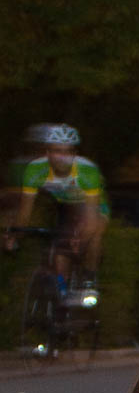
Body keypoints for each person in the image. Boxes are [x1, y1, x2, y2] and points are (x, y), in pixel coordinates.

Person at [8, 123, 110, 297]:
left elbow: (91, 220)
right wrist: (15, 235)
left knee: (94, 236)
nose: (62, 157)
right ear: (47, 153)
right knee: (60, 251)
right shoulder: (35, 170)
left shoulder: (87, 171)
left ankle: (89, 278)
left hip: (93, 205)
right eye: (57, 151)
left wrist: (81, 239)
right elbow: (25, 212)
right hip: (66, 205)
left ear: (74, 154)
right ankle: (61, 295)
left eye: (67, 152)